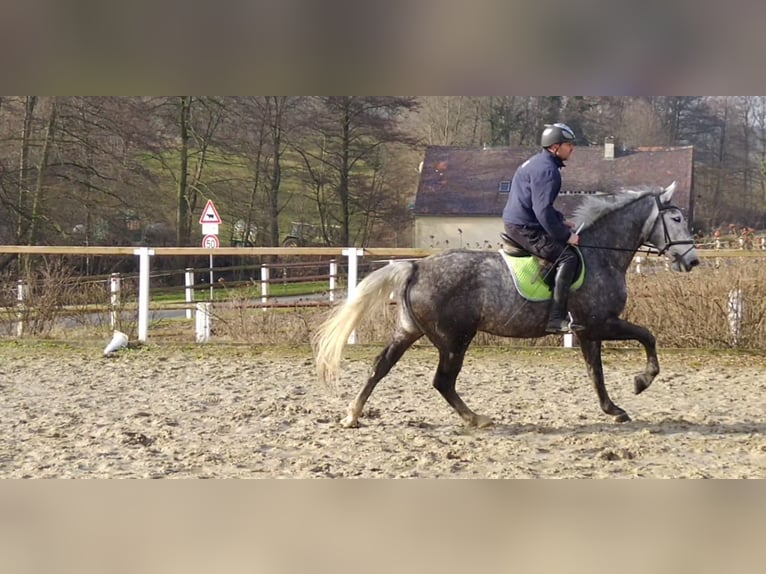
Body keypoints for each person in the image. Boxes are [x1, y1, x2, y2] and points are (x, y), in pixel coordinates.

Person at [502, 122, 584, 334]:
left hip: (520, 222)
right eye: (568, 144)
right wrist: (566, 236)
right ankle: (556, 319)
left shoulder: (537, 163)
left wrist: (560, 219)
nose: (572, 148)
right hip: (525, 228)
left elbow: (539, 204)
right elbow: (542, 211)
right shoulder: (549, 171)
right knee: (569, 257)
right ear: (555, 147)